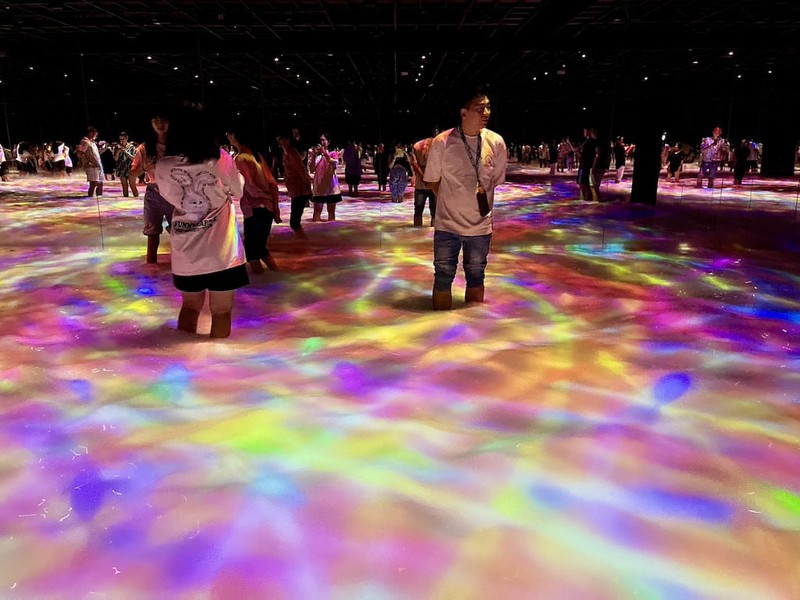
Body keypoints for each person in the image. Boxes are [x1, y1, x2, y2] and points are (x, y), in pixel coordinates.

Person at [153, 110, 249, 339]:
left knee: (189, 308)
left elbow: (168, 197)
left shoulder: (164, 166)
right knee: (222, 312)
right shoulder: (220, 158)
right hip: (222, 253)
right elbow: (238, 190)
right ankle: (216, 369)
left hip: (186, 252)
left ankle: (187, 364)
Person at [423, 88, 507, 310]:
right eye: (480, 108)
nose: (486, 112)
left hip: (480, 227)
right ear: (463, 112)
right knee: (442, 276)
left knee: (477, 275)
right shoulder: (442, 142)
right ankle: (439, 330)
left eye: (488, 106)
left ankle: (474, 330)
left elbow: (495, 180)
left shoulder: (496, 142)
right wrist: (452, 201)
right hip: (447, 225)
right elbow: (432, 180)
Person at [227, 127, 281, 273]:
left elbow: (248, 186)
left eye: (229, 132)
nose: (227, 135)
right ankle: (276, 276)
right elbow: (272, 183)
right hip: (266, 208)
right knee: (260, 248)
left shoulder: (240, 158)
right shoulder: (257, 155)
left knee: (252, 250)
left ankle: (264, 284)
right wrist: (275, 209)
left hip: (255, 208)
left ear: (235, 136)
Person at [130, 111, 175, 264]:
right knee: (152, 233)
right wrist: (144, 167)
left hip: (175, 192)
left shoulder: (177, 145)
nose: (160, 124)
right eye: (156, 120)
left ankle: (182, 268)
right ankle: (151, 269)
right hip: (153, 192)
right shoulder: (144, 149)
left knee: (179, 232)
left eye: (163, 120)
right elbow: (132, 174)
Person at [277, 128, 313, 239]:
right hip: (295, 191)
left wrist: (309, 191)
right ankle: (304, 243)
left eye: (281, 139)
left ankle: (306, 244)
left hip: (300, 191)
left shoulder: (293, 153)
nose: (278, 141)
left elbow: (302, 172)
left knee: (294, 223)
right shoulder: (285, 153)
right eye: (277, 139)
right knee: (295, 222)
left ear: (287, 140)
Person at [309, 133, 342, 221]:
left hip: (331, 188)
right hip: (319, 187)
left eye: (324, 140)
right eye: (320, 140)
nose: (321, 142)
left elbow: (334, 163)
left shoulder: (333, 153)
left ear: (329, 142)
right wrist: (313, 156)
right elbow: (312, 170)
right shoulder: (317, 155)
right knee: (316, 213)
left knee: (331, 213)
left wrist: (324, 153)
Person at [410, 135, 436, 226]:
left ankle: (417, 229)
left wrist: (422, 176)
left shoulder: (416, 145)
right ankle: (434, 230)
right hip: (434, 181)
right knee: (435, 210)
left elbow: (414, 164)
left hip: (421, 183)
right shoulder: (439, 143)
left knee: (418, 208)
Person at [76, 127, 104, 197]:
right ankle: (90, 199)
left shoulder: (92, 142)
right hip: (91, 166)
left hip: (97, 165)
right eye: (95, 134)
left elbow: (94, 154)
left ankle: (98, 198)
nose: (96, 136)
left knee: (99, 183)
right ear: (91, 133)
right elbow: (79, 153)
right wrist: (87, 162)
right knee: (94, 184)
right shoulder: (85, 142)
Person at [114, 132, 139, 197]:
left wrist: (125, 151)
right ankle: (126, 199)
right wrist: (118, 152)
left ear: (127, 138)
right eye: (120, 139)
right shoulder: (117, 147)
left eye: (123, 139)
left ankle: (136, 199)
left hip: (131, 168)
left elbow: (134, 158)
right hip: (121, 168)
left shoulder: (131, 147)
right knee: (124, 186)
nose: (121, 141)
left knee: (132, 186)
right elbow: (115, 159)